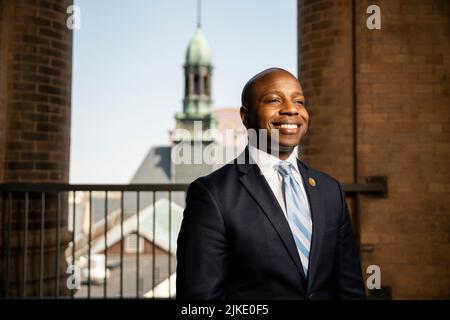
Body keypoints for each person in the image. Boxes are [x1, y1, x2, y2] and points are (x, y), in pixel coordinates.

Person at [176, 68, 365, 300]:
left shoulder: (330, 190)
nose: (291, 109)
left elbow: (350, 288)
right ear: (245, 116)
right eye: (274, 100)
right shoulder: (212, 195)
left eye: (299, 101)